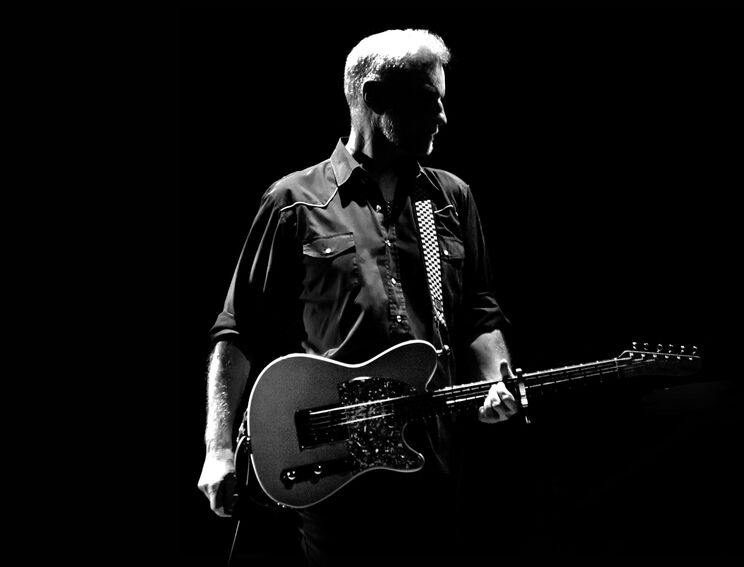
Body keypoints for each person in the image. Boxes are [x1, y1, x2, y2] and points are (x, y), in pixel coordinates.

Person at [196, 28, 519, 565]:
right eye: (428, 101)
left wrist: (496, 379)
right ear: (372, 97)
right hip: (331, 458)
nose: (443, 118)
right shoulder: (293, 201)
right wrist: (219, 449)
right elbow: (237, 331)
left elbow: (479, 316)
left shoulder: (451, 198)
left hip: (431, 451)